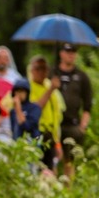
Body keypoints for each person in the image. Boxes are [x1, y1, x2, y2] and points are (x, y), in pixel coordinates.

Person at [51, 43, 92, 180]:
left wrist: (83, 127)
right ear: (61, 53)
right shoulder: (52, 73)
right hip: (54, 124)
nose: (71, 54)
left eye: (73, 52)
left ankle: (68, 192)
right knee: (53, 160)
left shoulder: (81, 76)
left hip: (72, 124)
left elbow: (87, 104)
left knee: (69, 161)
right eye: (68, 51)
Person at [28, 55, 64, 170]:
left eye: (44, 69)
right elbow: (36, 108)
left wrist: (57, 142)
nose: (41, 72)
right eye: (38, 68)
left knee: (50, 171)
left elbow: (56, 116)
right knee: (35, 170)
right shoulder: (27, 87)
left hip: (50, 135)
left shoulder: (51, 89)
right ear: (32, 70)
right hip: (36, 135)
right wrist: (51, 90)